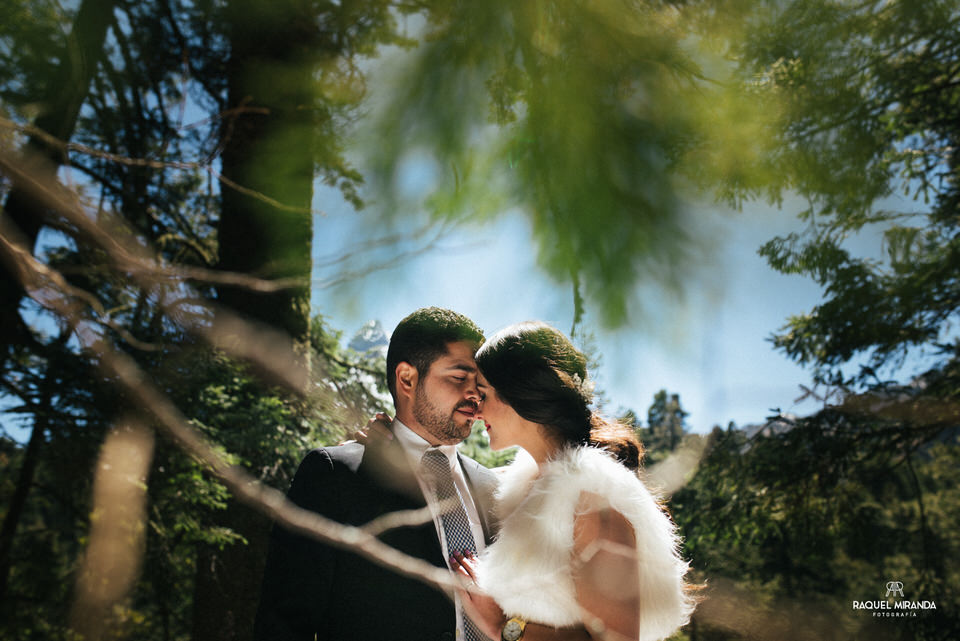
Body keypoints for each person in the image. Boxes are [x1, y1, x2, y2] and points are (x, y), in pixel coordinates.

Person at [253, 307, 500, 641]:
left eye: (480, 384)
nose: (475, 395)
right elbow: (283, 624)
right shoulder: (334, 475)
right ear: (407, 379)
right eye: (459, 377)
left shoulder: (495, 489)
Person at [451, 321, 695, 641]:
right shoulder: (529, 484)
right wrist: (380, 445)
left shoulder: (592, 503)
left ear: (521, 395)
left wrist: (504, 628)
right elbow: (455, 475)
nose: (476, 409)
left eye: (482, 393)